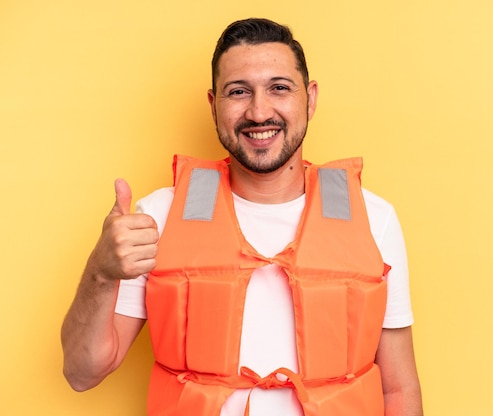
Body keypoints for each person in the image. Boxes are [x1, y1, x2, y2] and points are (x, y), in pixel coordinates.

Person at [61, 17, 423, 416]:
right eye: (238, 92)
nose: (259, 111)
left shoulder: (375, 219)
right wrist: (101, 271)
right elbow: (82, 373)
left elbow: (399, 389)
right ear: (214, 105)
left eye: (279, 88)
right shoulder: (157, 217)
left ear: (311, 98)